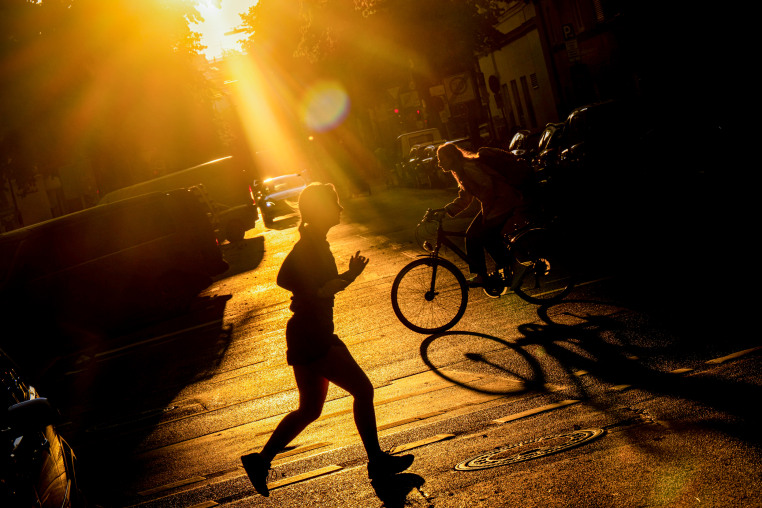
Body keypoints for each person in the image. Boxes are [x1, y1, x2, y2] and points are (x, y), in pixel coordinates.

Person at [240, 182, 413, 497]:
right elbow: (314, 286)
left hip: (308, 331)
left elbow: (289, 279)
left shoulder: (311, 242)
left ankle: (260, 460)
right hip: (313, 333)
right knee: (362, 390)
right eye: (335, 203)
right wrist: (346, 277)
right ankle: (376, 462)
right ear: (322, 209)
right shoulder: (311, 246)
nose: (341, 208)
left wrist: (311, 289)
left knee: (309, 409)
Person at [434, 142, 529, 285]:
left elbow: (488, 188)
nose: (439, 164)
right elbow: (465, 198)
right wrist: (446, 210)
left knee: (487, 236)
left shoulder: (468, 167)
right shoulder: (460, 171)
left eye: (441, 159)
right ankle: (481, 275)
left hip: (504, 201)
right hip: (495, 204)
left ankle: (517, 266)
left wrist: (487, 213)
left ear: (452, 157)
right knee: (471, 235)